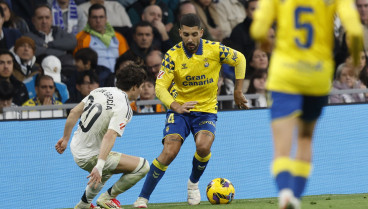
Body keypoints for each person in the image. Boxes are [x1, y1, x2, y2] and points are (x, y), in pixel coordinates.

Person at [250, 0, 363, 208]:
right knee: (305, 138)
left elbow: (258, 29)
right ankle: (296, 196)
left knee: (281, 147)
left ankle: (284, 192)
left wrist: (265, 43)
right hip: (317, 75)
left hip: (285, 76)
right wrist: (356, 60)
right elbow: (355, 32)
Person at [133, 13, 248, 208]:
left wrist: (238, 90)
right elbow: (160, 87)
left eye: (194, 34)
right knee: (169, 152)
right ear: (180, 33)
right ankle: (142, 198)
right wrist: (176, 106)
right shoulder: (172, 55)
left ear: (201, 33)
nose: (190, 39)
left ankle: (193, 183)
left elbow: (240, 59)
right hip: (179, 110)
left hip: (205, 110)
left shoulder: (215, 50)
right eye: (185, 34)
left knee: (203, 147)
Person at [55, 64, 150, 209]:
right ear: (134, 87)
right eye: (141, 86)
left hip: (76, 147)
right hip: (89, 156)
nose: (142, 90)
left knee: (108, 165)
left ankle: (83, 205)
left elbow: (74, 112)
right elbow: (110, 135)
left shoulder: (100, 90)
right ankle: (107, 198)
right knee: (143, 166)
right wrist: (99, 166)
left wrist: (65, 138)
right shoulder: (124, 106)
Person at [74, 3, 130, 73]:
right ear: (88, 19)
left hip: (118, 76)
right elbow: (82, 64)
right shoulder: (81, 38)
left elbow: (125, 59)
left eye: (101, 17)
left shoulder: (118, 37)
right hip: (96, 76)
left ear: (106, 19)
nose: (98, 21)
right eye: (94, 17)